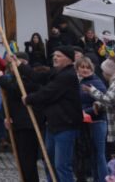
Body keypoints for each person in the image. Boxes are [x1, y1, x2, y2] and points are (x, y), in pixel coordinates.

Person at [20, 45, 83, 182]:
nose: (55, 57)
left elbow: (48, 93)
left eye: (59, 56)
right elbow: (37, 76)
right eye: (54, 55)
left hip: (66, 125)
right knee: (49, 163)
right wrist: (20, 65)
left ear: (69, 59)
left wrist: (29, 99)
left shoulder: (68, 75)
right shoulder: (56, 72)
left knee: (61, 165)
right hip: (53, 125)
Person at [0, 54, 41, 182]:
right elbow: (10, 99)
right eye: (11, 64)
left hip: (29, 124)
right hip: (17, 122)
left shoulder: (30, 77)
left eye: (16, 63)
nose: (13, 66)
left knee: (28, 159)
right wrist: (7, 116)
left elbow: (17, 90)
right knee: (21, 158)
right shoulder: (15, 78)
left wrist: (1, 79)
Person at [84, 59, 115, 157]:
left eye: (103, 71)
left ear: (108, 72)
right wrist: (98, 104)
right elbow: (112, 99)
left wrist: (92, 90)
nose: (102, 73)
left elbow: (109, 100)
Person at [76, 57, 107, 182]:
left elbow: (103, 102)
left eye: (87, 67)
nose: (85, 70)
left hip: (97, 121)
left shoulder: (95, 81)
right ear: (77, 69)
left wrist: (85, 112)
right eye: (82, 67)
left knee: (99, 155)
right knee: (93, 155)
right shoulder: (81, 82)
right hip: (87, 122)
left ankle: (104, 179)